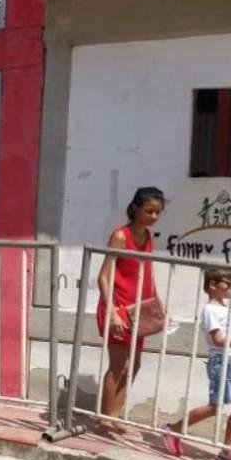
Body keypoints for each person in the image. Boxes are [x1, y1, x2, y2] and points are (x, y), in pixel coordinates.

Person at [160, 268, 231, 460]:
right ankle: (172, 430)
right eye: (226, 283)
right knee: (215, 407)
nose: (230, 287)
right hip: (223, 362)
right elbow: (218, 340)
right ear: (212, 285)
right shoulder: (209, 310)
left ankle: (228, 452)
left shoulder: (227, 310)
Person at [96, 186, 165, 435]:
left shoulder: (148, 236)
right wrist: (112, 310)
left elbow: (148, 271)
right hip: (118, 307)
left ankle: (114, 415)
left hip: (139, 310)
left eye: (158, 212)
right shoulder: (120, 236)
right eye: (149, 211)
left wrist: (156, 300)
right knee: (118, 364)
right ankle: (105, 419)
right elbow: (103, 276)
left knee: (134, 364)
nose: (153, 217)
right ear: (136, 208)